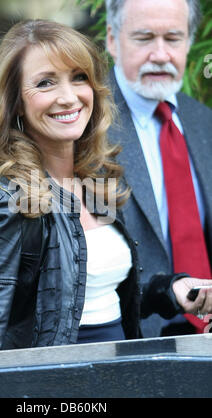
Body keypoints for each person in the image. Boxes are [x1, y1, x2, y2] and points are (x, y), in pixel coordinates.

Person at [0, 19, 212, 355]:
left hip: (123, 373)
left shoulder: (95, 180)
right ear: (14, 101)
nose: (68, 97)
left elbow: (88, 296)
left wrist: (169, 290)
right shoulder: (3, 199)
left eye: (79, 78)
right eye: (45, 83)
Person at [105, 0, 212, 337]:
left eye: (173, 38)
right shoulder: (83, 125)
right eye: (145, 38)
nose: (161, 54)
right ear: (111, 39)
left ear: (190, 42)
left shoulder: (204, 121)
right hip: (128, 341)